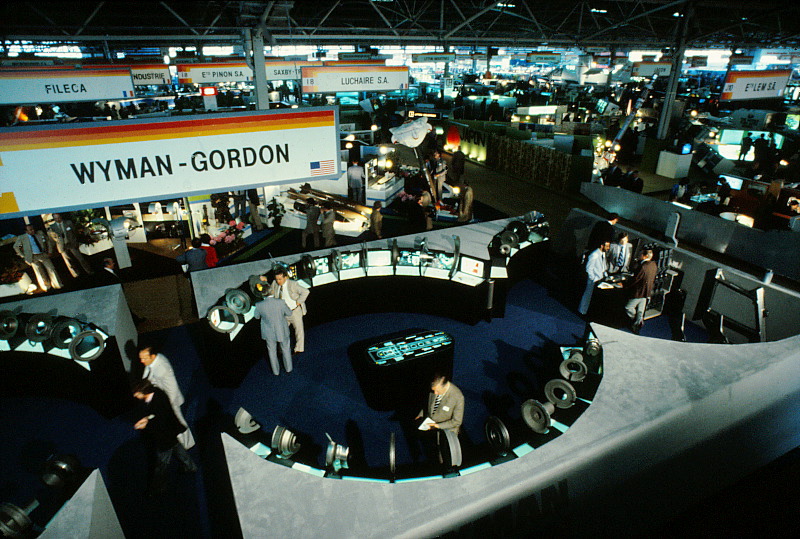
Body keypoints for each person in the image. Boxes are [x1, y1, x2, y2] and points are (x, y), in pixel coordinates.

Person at [132, 380, 196, 495]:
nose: (136, 396)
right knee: (178, 449)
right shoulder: (157, 393)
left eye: (137, 393)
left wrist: (146, 424)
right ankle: (190, 467)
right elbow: (158, 415)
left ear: (144, 392)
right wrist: (147, 419)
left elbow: (160, 420)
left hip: (165, 437)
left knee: (161, 464)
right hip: (171, 432)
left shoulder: (156, 401)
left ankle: (158, 487)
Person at [139, 345, 194, 449]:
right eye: (141, 358)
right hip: (162, 398)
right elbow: (147, 373)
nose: (142, 361)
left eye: (144, 358)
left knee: (179, 421)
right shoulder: (152, 361)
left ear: (153, 356)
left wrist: (168, 406)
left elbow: (171, 388)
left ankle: (188, 444)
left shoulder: (162, 368)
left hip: (170, 400)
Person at [269, 267, 310, 355]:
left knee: (298, 330)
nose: (278, 281)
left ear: (285, 277)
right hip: (283, 313)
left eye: (280, 279)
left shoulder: (293, 284)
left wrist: (299, 301)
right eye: (277, 279)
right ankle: (283, 349)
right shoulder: (274, 284)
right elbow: (270, 292)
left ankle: (298, 349)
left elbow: (306, 291)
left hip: (294, 311)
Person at [253, 288, 293, 375]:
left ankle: (276, 372)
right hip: (282, 330)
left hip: (268, 332)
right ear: (272, 292)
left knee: (271, 352)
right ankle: (288, 369)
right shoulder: (281, 302)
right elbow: (289, 313)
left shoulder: (259, 305)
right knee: (286, 349)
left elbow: (256, 317)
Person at [13, 224, 63, 292]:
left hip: (43, 254)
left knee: (51, 269)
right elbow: (15, 247)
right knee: (40, 272)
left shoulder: (40, 233)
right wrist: (24, 256)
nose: (33, 230)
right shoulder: (22, 237)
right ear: (26, 231)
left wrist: (50, 251)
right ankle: (46, 287)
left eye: (33, 229)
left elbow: (48, 241)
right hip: (33, 257)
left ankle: (57, 285)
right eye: (30, 230)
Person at [623, 249, 657, 334]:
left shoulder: (643, 267)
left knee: (628, 308)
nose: (638, 256)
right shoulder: (653, 265)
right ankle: (638, 323)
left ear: (644, 256)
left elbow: (636, 279)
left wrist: (625, 285)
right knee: (640, 310)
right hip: (647, 292)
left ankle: (636, 320)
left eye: (640, 254)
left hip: (638, 292)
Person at [48, 213, 92, 277]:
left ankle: (89, 271)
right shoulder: (52, 227)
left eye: (58, 217)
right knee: (69, 261)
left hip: (72, 243)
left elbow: (74, 232)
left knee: (81, 258)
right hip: (62, 246)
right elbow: (52, 238)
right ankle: (75, 274)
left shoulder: (68, 222)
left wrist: (75, 241)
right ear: (54, 219)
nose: (58, 219)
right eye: (56, 218)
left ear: (61, 216)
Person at [578, 240, 610, 316]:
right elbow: (589, 268)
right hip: (593, 279)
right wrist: (593, 278)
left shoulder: (603, 254)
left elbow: (603, 266)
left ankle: (586, 311)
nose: (608, 248)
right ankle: (582, 311)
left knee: (592, 296)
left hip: (599, 279)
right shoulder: (594, 255)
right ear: (602, 246)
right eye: (607, 246)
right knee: (587, 295)